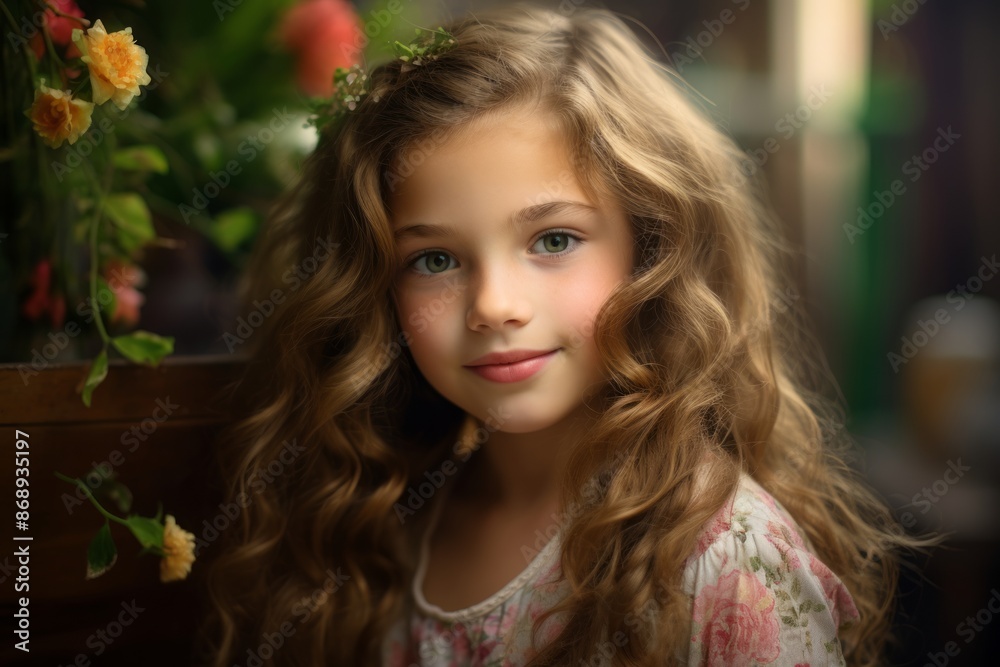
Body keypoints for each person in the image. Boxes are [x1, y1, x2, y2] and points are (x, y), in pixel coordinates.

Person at [203, 4, 933, 666]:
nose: (493, 305)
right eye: (434, 259)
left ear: (652, 248)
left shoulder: (729, 564)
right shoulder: (386, 531)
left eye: (553, 240)